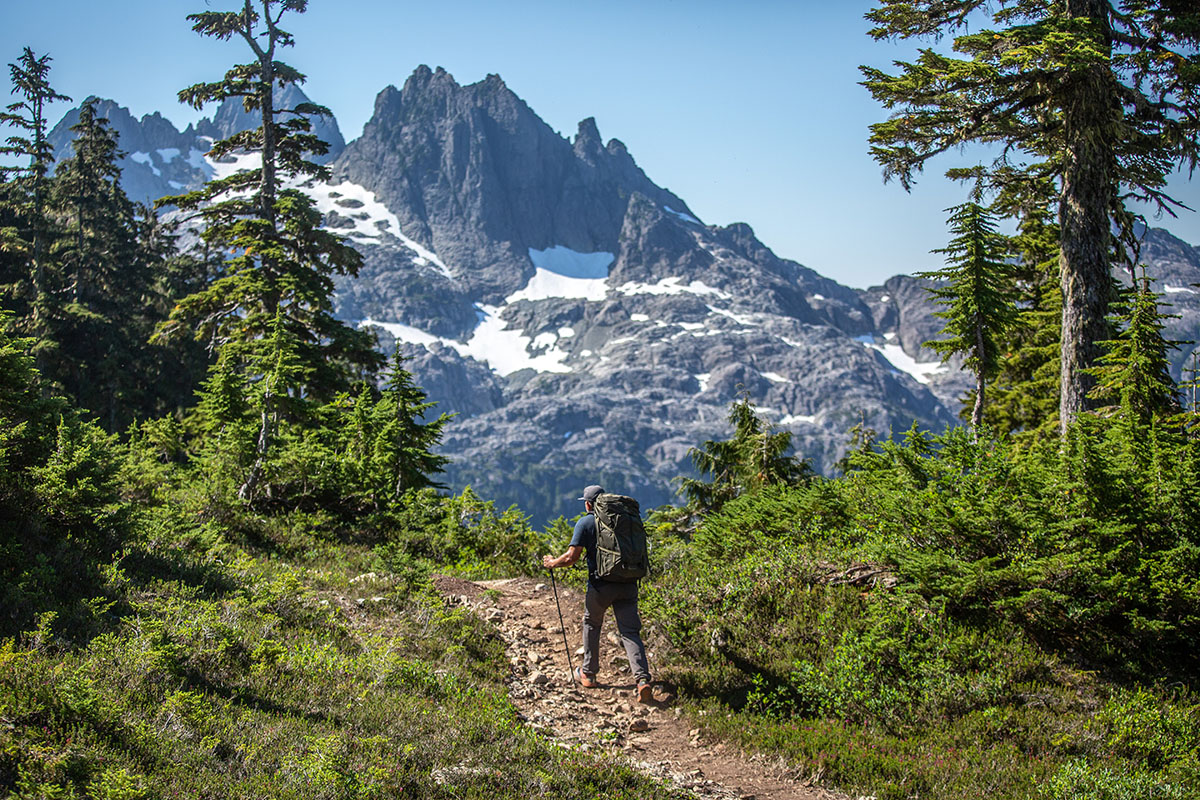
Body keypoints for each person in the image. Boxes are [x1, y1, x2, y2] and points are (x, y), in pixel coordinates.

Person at [542, 484, 654, 703]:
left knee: (592, 623)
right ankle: (642, 680)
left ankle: (588, 673)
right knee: (630, 632)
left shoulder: (585, 522)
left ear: (587, 504)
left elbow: (571, 558)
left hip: (601, 585)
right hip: (629, 583)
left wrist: (552, 563)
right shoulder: (623, 520)